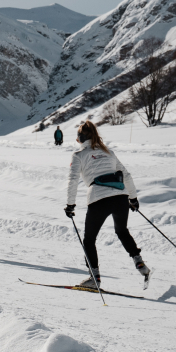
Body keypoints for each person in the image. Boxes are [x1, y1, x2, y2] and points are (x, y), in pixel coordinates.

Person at [64, 120, 150, 288]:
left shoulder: (78, 155)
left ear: (80, 137)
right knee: (122, 231)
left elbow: (73, 180)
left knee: (89, 240)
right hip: (120, 197)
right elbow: (127, 175)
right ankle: (140, 263)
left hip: (98, 198)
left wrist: (70, 205)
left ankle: (94, 279)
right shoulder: (108, 152)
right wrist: (133, 199)